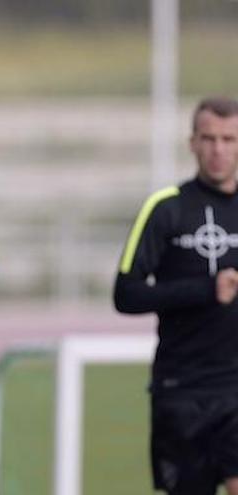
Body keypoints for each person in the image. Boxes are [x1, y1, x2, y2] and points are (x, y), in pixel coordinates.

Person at [114, 96, 238, 495]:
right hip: (181, 388)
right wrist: (205, 290)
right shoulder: (166, 208)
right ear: (193, 143)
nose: (218, 149)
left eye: (229, 139)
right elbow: (126, 294)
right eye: (209, 138)